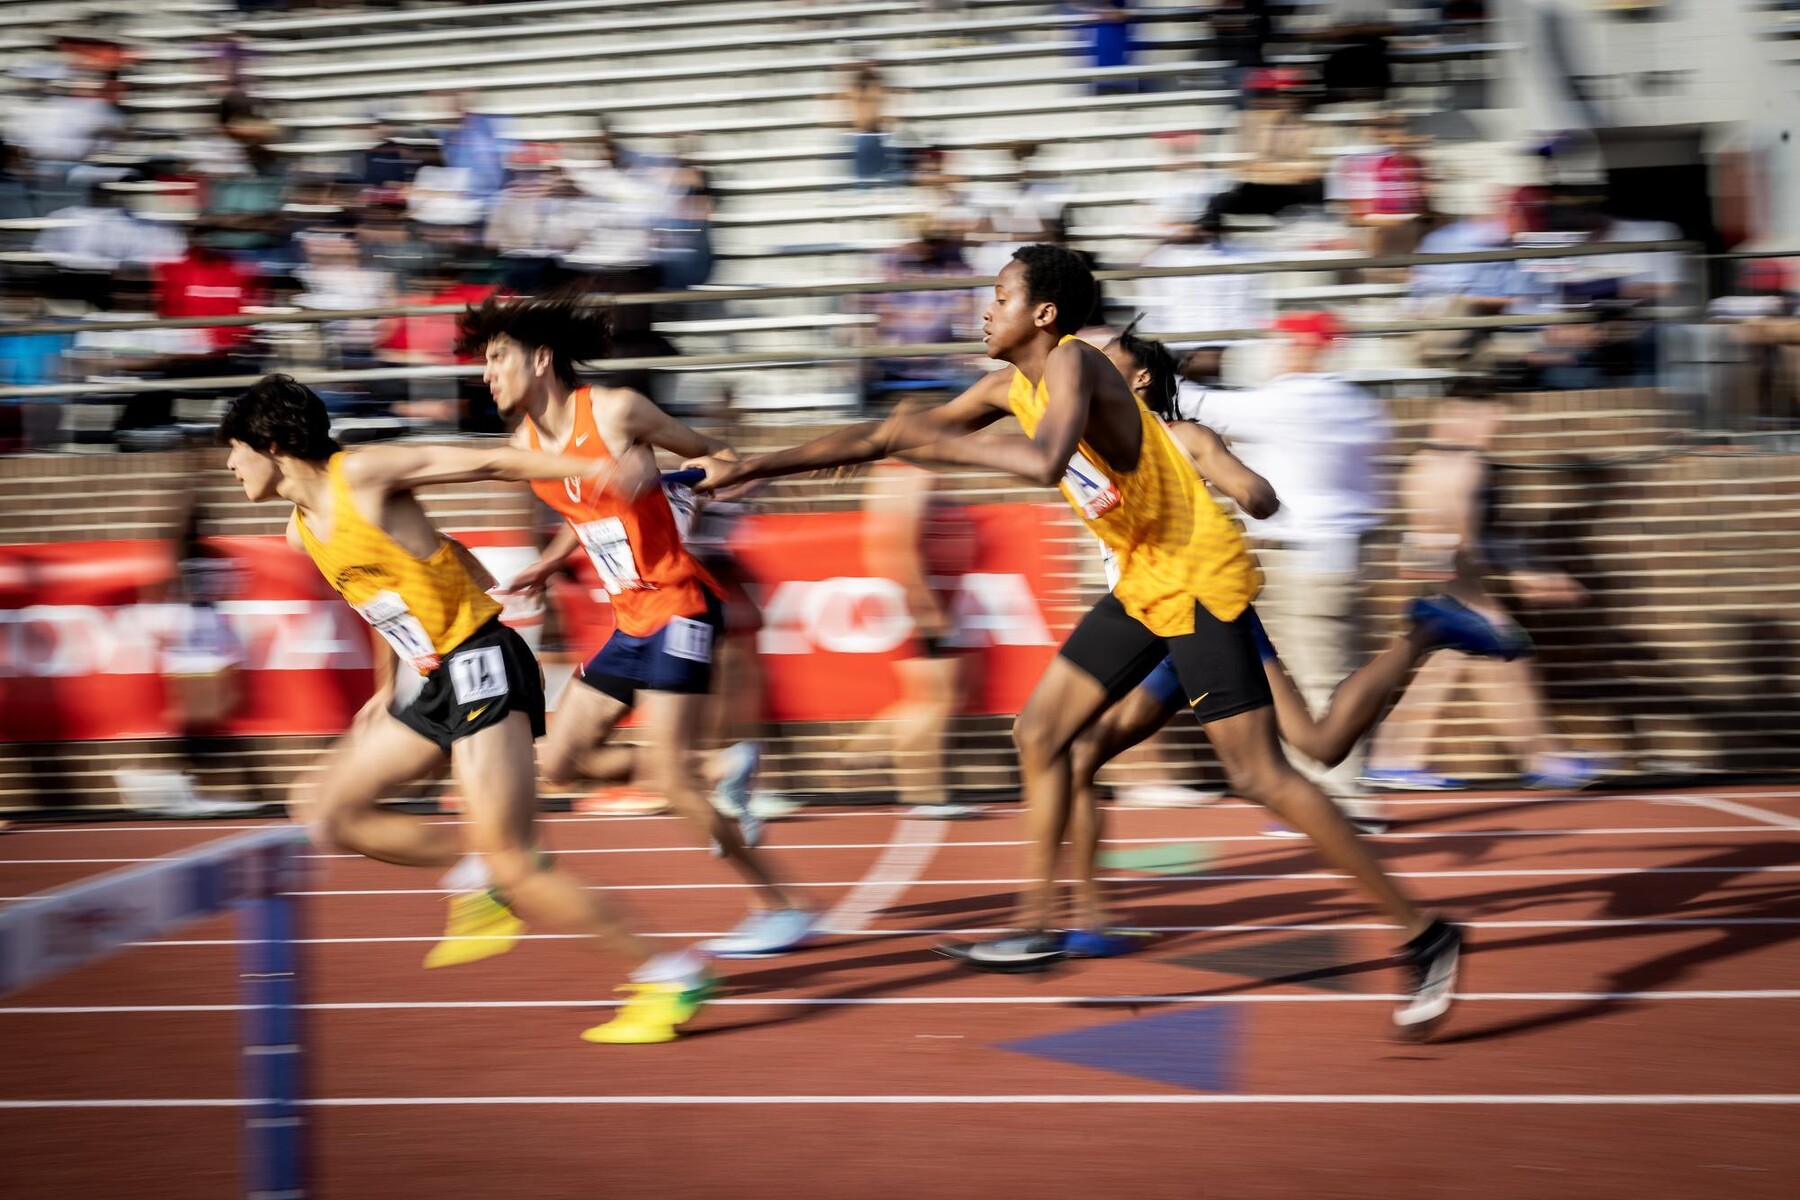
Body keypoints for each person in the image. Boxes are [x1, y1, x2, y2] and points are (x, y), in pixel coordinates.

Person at [685, 244, 1465, 1038]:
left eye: (998, 296)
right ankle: (1035, 925)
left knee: (1263, 769)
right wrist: (756, 465)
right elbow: (883, 436)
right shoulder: (1004, 385)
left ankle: (1425, 933)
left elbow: (1042, 460)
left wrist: (923, 439)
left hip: (1195, 578)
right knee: (1042, 732)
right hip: (1139, 581)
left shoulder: (1078, 368)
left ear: (1044, 313)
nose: (983, 311)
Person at [220, 373, 712, 1045]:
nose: (228, 464)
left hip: (482, 663)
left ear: (272, 444)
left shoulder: (362, 473)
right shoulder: (300, 531)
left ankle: (670, 972)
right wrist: (380, 688)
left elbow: (493, 459)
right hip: (431, 682)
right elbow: (382, 599)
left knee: (517, 860)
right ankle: (472, 871)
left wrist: (593, 468)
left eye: (234, 449)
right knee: (325, 809)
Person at [1060, 328, 1528, 937]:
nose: (1086, 365)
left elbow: (1256, 493)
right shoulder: (1089, 439)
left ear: (1139, 378)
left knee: (1310, 749)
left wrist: (1243, 489)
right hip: (1155, 620)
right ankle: (1092, 918)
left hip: (1203, 614)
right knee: (1082, 750)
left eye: (1102, 357)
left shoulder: (1181, 437)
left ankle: (1423, 631)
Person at [456, 295, 816, 958]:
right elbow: (582, 510)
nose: (486, 374)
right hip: (629, 619)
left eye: (496, 358)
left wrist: (674, 478)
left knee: (667, 779)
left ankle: (782, 906)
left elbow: (723, 458)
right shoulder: (526, 445)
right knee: (561, 759)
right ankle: (721, 766)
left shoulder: (617, 410)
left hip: (680, 604)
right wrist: (545, 563)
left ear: (540, 361)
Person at [1197, 311, 1392, 834]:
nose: (1278, 346)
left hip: (1305, 556)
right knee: (1331, 677)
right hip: (1343, 552)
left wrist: (1128, 366)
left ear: (1308, 345)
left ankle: (1339, 801)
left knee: (1317, 683)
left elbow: (1199, 404)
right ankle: (1336, 792)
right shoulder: (1357, 403)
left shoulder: (1293, 400)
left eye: (1286, 338)